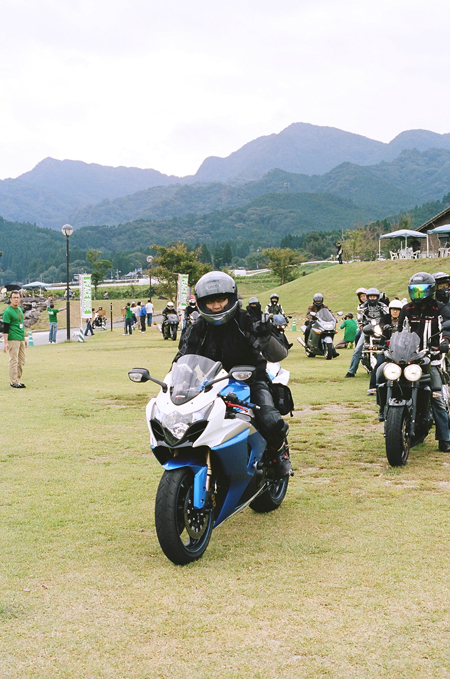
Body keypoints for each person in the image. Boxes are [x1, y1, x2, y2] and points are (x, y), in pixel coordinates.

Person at [175, 271, 292, 477]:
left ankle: (279, 453)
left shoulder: (247, 320)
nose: (217, 306)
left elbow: (278, 355)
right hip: (209, 386)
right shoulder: (197, 328)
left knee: (270, 420)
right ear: (202, 303)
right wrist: (177, 380)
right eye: (210, 302)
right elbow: (183, 358)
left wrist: (265, 335)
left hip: (251, 382)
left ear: (231, 298)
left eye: (221, 299)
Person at [377, 272, 450, 452]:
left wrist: (445, 342)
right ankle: (382, 409)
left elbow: (447, 326)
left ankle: (444, 438)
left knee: (437, 397)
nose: (418, 295)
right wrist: (387, 341)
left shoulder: (440, 309)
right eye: (414, 291)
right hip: (408, 357)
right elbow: (399, 331)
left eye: (422, 291)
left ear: (431, 290)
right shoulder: (407, 309)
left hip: (430, 358)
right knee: (380, 373)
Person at [345, 287, 388, 378]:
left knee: (389, 346)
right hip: (367, 330)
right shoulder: (363, 307)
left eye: (374, 297)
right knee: (358, 349)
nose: (372, 299)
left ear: (378, 297)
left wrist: (385, 325)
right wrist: (362, 325)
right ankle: (351, 371)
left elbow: (387, 316)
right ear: (368, 297)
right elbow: (360, 317)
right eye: (370, 297)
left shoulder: (383, 306)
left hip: (380, 329)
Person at [366, 299, 403, 395]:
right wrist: (384, 327)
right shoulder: (385, 318)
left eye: (397, 310)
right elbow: (381, 324)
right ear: (390, 310)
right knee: (379, 365)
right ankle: (373, 387)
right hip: (386, 347)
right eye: (393, 309)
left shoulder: (404, 320)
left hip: (401, 348)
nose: (395, 311)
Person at [2, 290, 28, 388]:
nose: (16, 299)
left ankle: (17, 379)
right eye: (14, 298)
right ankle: (14, 382)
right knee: (14, 360)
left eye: (18, 298)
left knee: (22, 360)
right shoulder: (8, 312)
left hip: (20, 338)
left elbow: (21, 325)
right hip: (13, 338)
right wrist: (5, 342)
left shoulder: (20, 310)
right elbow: (5, 328)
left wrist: (24, 338)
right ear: (10, 299)